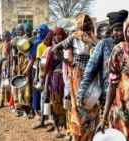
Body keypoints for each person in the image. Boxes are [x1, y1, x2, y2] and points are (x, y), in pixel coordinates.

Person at [77, 9, 128, 136]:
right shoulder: (104, 44)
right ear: (112, 31)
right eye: (115, 30)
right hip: (107, 97)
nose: (119, 33)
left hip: (128, 98)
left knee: (126, 131)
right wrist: (82, 92)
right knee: (108, 131)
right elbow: (90, 69)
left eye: (121, 29)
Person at [95, 15, 129, 140]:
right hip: (123, 111)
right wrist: (104, 118)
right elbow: (112, 85)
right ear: (125, 33)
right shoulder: (119, 51)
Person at [52, 13, 98, 141]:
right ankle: (79, 136)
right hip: (79, 76)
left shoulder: (94, 39)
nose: (88, 24)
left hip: (92, 76)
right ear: (79, 24)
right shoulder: (73, 38)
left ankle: (90, 136)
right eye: (85, 22)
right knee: (80, 106)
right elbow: (55, 49)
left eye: (89, 22)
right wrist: (67, 62)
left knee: (92, 105)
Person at [41, 27, 68, 138]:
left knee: (67, 102)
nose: (57, 37)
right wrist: (46, 87)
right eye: (55, 35)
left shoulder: (68, 49)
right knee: (56, 103)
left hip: (67, 79)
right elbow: (48, 69)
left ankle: (66, 126)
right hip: (55, 79)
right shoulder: (51, 50)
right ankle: (56, 127)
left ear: (63, 36)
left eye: (59, 35)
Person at [0, 31, 12, 108]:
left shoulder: (12, 44)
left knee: (11, 83)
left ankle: (11, 102)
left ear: (10, 36)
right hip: (3, 66)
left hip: (11, 65)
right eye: (4, 36)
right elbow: (0, 58)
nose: (6, 38)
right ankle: (1, 101)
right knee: (3, 84)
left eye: (7, 36)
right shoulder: (1, 46)